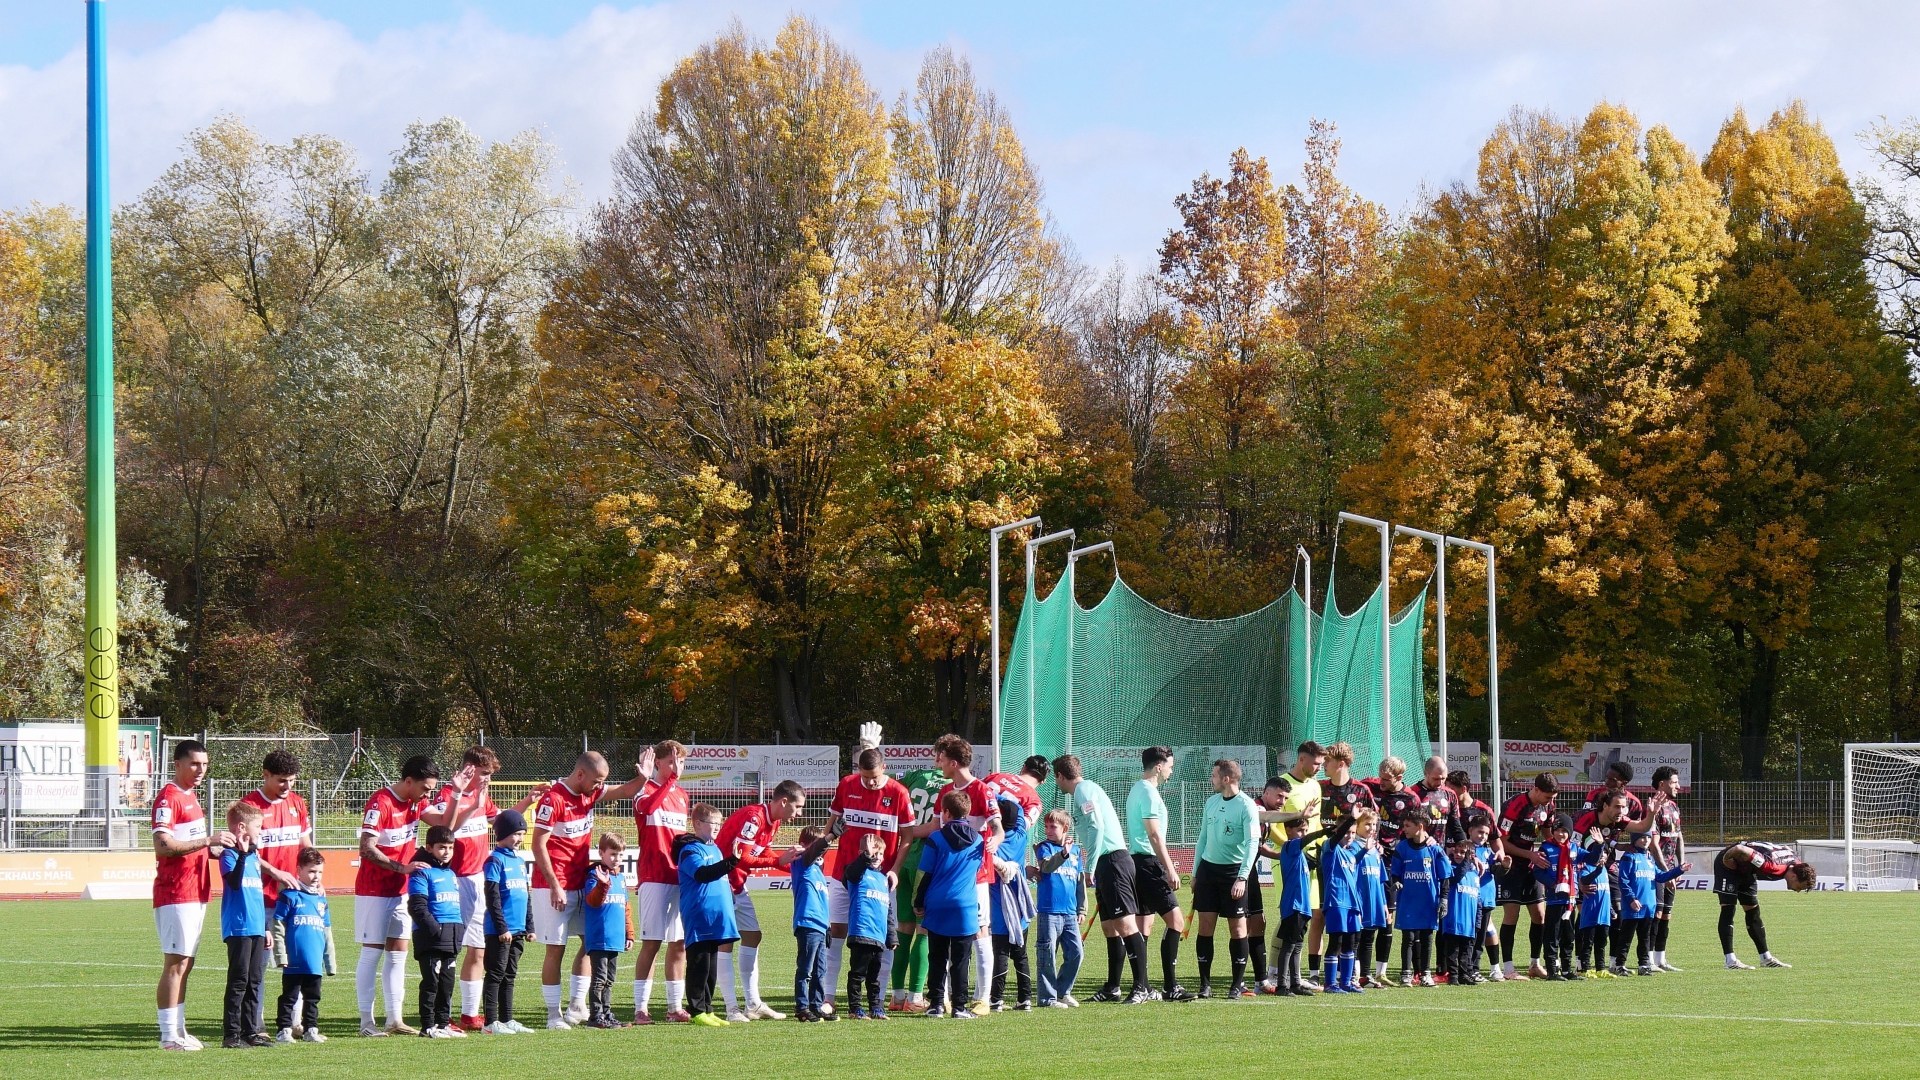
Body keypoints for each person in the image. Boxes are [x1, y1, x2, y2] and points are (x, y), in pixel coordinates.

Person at [427, 745, 547, 1032]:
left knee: (478, 948)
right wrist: (469, 802)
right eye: (483, 773)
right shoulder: (448, 795)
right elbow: (446, 830)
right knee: (450, 948)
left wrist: (527, 801)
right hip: (455, 880)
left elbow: (503, 823)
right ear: (468, 769)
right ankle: (441, 1014)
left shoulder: (483, 797)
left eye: (490, 774)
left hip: (479, 879)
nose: (487, 779)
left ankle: (469, 1014)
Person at [528, 750, 650, 1029]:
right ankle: (553, 1015)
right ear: (580, 774)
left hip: (582, 883)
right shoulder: (553, 799)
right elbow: (538, 845)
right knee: (555, 949)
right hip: (553, 886)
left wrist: (643, 778)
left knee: (590, 942)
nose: (600, 786)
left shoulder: (590, 792)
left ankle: (577, 1005)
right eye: (597, 781)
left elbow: (626, 790)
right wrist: (555, 885)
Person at [906, 735, 1003, 1013]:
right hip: (947, 879)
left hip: (977, 875)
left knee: (979, 932)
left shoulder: (982, 790)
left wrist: (996, 840)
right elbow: (933, 828)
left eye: (941, 758)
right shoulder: (946, 792)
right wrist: (901, 833)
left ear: (953, 762)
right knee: (942, 938)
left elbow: (997, 827)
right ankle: (943, 998)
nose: (937, 763)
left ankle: (982, 998)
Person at [354, 754, 449, 1037]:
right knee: (372, 953)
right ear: (409, 781)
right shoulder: (381, 802)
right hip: (374, 890)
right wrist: (401, 867)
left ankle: (394, 1019)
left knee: (398, 953)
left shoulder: (416, 802)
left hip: (402, 890)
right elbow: (366, 848)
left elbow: (445, 823)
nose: (428, 795)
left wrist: (458, 793)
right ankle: (366, 1022)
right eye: (425, 789)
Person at [1051, 753, 1149, 1004]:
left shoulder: (1083, 790)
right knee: (1109, 927)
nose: (1056, 783)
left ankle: (1142, 987)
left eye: (1056, 778)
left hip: (1113, 861)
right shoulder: (1084, 791)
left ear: (1061, 776)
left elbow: (1096, 827)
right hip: (1107, 863)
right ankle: (1112, 987)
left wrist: (1090, 866)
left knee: (1126, 925)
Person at [153, 739, 229, 1051]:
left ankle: (179, 1030)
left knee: (186, 963)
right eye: (195, 763)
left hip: (195, 891)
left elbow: (190, 844)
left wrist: (215, 850)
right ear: (178, 764)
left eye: (205, 764)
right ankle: (167, 1036)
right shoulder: (169, 798)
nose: (201, 770)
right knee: (175, 963)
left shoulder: (191, 796)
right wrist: (207, 841)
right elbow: (163, 845)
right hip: (176, 892)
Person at [718, 779, 808, 1021]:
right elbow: (741, 858)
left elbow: (763, 851)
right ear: (784, 801)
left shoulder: (774, 821)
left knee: (752, 936)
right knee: (725, 942)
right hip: (721, 882)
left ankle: (753, 1004)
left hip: (737, 883)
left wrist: (792, 866)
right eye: (798, 807)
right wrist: (778, 861)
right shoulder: (754, 818)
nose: (799, 814)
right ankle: (731, 1008)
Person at [826, 748, 907, 1018]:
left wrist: (894, 869)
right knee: (836, 930)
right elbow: (831, 823)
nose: (870, 782)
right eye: (865, 776)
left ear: (884, 767)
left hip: (881, 879)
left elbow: (907, 836)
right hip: (844, 873)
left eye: (874, 777)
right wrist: (821, 849)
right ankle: (828, 996)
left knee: (884, 936)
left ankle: (877, 1002)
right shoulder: (847, 785)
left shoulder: (898, 792)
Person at [245, 751, 313, 1029]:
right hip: (260, 898)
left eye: (292, 780)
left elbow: (305, 845)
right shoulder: (249, 806)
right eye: (282, 780)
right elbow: (246, 853)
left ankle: (294, 1022)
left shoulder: (297, 802)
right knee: (259, 964)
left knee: (297, 960)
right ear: (266, 775)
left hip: (292, 899)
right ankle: (255, 1021)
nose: (288, 786)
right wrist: (275, 871)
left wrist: (313, 877)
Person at [220, 799, 295, 1048]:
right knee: (238, 981)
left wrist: (264, 927)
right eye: (258, 827)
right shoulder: (230, 854)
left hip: (256, 927)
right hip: (239, 927)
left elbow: (255, 897)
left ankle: (250, 1031)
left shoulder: (253, 856)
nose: (261, 832)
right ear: (242, 828)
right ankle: (231, 1034)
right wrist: (242, 855)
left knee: (254, 981)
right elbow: (233, 883)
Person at [1262, 806, 1354, 995]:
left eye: (1305, 830)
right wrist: (1320, 833)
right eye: (1300, 830)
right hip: (1293, 905)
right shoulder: (1289, 847)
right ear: (1288, 830)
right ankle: (1282, 985)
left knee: (1297, 946)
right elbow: (1305, 840)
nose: (1303, 834)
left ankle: (1295, 984)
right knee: (1288, 946)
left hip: (1302, 906)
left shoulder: (1301, 855)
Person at [632, 740, 692, 1024]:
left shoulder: (682, 795)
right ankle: (640, 1008)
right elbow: (648, 808)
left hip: (678, 877)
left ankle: (674, 1007)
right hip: (654, 877)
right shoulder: (644, 789)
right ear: (658, 762)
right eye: (672, 762)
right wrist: (669, 782)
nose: (677, 767)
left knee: (678, 944)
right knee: (652, 943)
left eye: (681, 762)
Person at [1125, 746, 1192, 1000]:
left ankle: (1142, 987)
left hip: (1137, 862)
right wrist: (1170, 868)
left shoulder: (1137, 789)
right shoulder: (1149, 793)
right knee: (1176, 922)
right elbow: (1154, 835)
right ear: (1159, 766)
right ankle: (1171, 987)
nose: (1171, 771)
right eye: (1170, 766)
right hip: (1148, 864)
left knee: (1144, 925)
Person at [913, 791, 986, 1019]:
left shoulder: (935, 838)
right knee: (961, 959)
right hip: (965, 906)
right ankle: (959, 1007)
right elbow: (976, 870)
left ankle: (936, 1004)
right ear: (967, 812)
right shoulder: (979, 840)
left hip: (938, 904)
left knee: (937, 957)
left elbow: (926, 872)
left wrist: (918, 900)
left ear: (946, 812)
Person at [1192, 759, 1260, 998]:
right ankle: (1205, 985)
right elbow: (1202, 838)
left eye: (1214, 775)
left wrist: (1242, 878)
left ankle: (1236, 985)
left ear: (1226, 779)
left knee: (1238, 928)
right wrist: (1195, 872)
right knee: (1205, 926)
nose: (1211, 779)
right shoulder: (1211, 802)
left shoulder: (1247, 806)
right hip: (1208, 871)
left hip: (1233, 873)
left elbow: (1252, 843)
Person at [887, 760, 951, 1013]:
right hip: (928, 861)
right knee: (924, 930)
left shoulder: (916, 776)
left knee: (903, 929)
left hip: (903, 858)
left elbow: (887, 781)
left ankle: (897, 996)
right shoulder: (952, 784)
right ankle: (914, 997)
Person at [676, 802, 742, 1028]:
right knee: (699, 963)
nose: (716, 828)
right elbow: (702, 874)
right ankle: (696, 1011)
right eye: (712, 823)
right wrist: (730, 862)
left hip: (717, 916)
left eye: (719, 824)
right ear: (697, 824)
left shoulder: (715, 849)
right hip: (699, 914)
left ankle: (708, 1008)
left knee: (711, 966)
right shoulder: (689, 850)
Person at [1361, 756, 1420, 985]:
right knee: (1364, 914)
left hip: (1392, 864)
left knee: (1387, 916)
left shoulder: (1411, 799)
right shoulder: (1369, 787)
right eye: (1380, 777)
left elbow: (1416, 830)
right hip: (1367, 860)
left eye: (1386, 779)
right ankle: (1360, 971)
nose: (1381, 782)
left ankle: (1381, 971)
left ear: (1399, 778)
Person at [1494, 772, 1559, 980]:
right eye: (1548, 796)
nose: (1550, 801)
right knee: (1512, 914)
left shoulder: (1548, 806)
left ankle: (1535, 964)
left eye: (1553, 797)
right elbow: (1502, 842)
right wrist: (1530, 854)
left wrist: (1557, 853)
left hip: (1532, 866)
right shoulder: (1514, 805)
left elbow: (1548, 834)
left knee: (1539, 915)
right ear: (1536, 789)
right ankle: (1508, 968)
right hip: (1511, 865)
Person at [1271, 742, 1326, 983]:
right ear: (1301, 759)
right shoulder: (1282, 784)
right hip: (1289, 861)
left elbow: (1317, 824)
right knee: (1290, 917)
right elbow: (1272, 825)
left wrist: (1325, 849)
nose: (1319, 768)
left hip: (1310, 860)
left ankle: (1294, 976)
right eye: (1316, 763)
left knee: (1305, 917)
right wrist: (1290, 851)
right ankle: (1273, 973)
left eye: (1321, 764)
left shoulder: (1315, 786)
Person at [1714, 841, 1816, 969]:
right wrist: (1725, 860)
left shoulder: (1797, 864)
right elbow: (1739, 849)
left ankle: (1766, 958)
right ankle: (1730, 961)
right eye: (1799, 887)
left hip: (1746, 870)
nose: (1798, 891)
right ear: (1794, 876)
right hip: (1729, 864)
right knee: (1728, 909)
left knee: (1753, 912)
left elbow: (1786, 848)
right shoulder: (1771, 866)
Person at [271, 847, 334, 1043]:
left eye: (320, 872)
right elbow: (278, 927)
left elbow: (326, 932)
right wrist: (281, 955)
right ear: (299, 870)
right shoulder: (289, 896)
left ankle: (311, 1029)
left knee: (313, 997)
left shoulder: (321, 901)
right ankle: (283, 1030)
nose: (316, 876)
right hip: (294, 960)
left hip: (314, 961)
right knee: (289, 997)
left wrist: (330, 962)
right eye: (311, 871)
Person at [407, 825, 464, 1038]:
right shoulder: (421, 873)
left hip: (452, 936)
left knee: (447, 984)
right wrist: (435, 930)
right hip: (431, 938)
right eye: (442, 847)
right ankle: (428, 1026)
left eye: (450, 847)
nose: (447, 852)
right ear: (429, 848)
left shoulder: (450, 873)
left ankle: (443, 1024)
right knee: (431, 983)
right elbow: (417, 907)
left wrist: (458, 930)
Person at [481, 809, 533, 1034]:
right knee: (496, 974)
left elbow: (525, 896)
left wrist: (529, 926)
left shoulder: (520, 861)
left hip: (518, 930)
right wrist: (502, 927)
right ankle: (490, 1023)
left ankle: (507, 1019)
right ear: (502, 834)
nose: (520, 839)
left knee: (510, 975)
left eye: (522, 834)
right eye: (516, 834)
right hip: (500, 931)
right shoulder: (495, 860)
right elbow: (492, 897)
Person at [1387, 810, 1451, 987]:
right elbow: (1395, 871)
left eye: (1408, 826)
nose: (1404, 829)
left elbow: (1445, 876)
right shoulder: (1402, 847)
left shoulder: (1434, 849)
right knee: (1408, 937)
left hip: (1428, 901)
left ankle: (1425, 975)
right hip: (1408, 901)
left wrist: (1444, 899)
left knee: (1427, 938)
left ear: (1420, 826)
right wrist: (1397, 882)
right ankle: (1406, 975)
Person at [1028, 809, 1084, 1008]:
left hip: (1069, 912)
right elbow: (1046, 867)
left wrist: (1082, 908)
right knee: (1047, 955)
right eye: (1046, 826)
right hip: (1049, 911)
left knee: (1077, 952)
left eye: (1053, 827)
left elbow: (1079, 882)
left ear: (1065, 828)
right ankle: (1047, 998)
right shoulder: (1044, 847)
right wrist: (1062, 854)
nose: (1048, 830)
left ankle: (1062, 991)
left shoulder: (1076, 851)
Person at [1615, 829, 1689, 976]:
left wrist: (1679, 870)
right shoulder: (1629, 857)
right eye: (1642, 837)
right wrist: (1631, 899)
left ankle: (1644, 965)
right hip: (1633, 906)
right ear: (1634, 839)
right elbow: (1623, 881)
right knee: (1626, 937)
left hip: (1648, 906)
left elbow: (1661, 876)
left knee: (1645, 938)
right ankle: (1619, 965)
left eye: (1648, 838)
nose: (1646, 840)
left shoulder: (1649, 858)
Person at [987, 794, 1036, 1010]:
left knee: (1000, 954)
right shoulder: (1020, 835)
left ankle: (996, 999)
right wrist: (1002, 796)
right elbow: (1019, 811)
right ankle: (1025, 998)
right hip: (1019, 907)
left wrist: (990, 794)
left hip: (999, 909)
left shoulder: (991, 844)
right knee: (1020, 954)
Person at [582, 833, 635, 1028]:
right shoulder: (593, 876)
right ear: (601, 853)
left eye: (620, 855)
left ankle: (607, 1013)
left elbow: (626, 909)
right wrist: (603, 884)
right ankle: (595, 1017)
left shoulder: (621, 878)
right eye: (612, 854)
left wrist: (629, 934)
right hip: (599, 937)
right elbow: (593, 901)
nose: (616, 859)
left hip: (615, 938)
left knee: (609, 980)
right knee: (599, 979)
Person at [842, 832, 897, 1019]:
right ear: (862, 853)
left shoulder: (883, 879)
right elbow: (851, 873)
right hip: (861, 932)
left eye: (880, 854)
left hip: (878, 936)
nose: (877, 857)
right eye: (874, 853)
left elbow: (888, 910)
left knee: (874, 977)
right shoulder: (856, 873)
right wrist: (866, 855)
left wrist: (891, 936)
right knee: (858, 974)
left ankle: (876, 1008)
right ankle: (855, 1008)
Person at [1317, 808, 1373, 994]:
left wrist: (1365, 850)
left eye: (1353, 833)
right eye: (1346, 832)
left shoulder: (1350, 854)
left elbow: (1354, 863)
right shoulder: (1330, 849)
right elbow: (1336, 838)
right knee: (1336, 942)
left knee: (1350, 942)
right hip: (1336, 902)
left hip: (1351, 904)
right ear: (1338, 831)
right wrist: (1351, 819)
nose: (1349, 836)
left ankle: (1346, 982)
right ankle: (1330, 983)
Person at [788, 824, 836, 1021]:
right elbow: (813, 851)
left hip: (820, 926)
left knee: (820, 970)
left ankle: (816, 1006)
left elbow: (822, 902)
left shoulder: (817, 870)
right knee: (805, 969)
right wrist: (829, 837)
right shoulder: (802, 862)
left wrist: (828, 926)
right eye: (816, 845)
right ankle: (802, 1007)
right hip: (807, 924)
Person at [1530, 813, 1584, 980]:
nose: (1561, 834)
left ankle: (1567, 969)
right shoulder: (1546, 848)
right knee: (1552, 935)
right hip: (1555, 900)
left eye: (1564, 831)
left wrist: (1599, 844)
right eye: (1557, 830)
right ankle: (1552, 970)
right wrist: (1553, 884)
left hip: (1570, 901)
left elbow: (1591, 857)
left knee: (1568, 936)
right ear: (1552, 831)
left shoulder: (1574, 848)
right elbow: (1537, 872)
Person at [1647, 765, 1687, 971]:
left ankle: (1660, 958)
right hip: (1655, 870)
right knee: (1655, 914)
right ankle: (1647, 960)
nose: (1678, 786)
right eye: (1674, 782)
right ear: (1662, 784)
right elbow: (1653, 845)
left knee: (1666, 915)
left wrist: (1680, 866)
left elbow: (1678, 837)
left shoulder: (1674, 807)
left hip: (1670, 869)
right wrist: (1667, 872)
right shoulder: (1653, 808)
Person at [1439, 838, 1487, 985]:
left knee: (1467, 950)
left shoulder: (1475, 875)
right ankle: (1453, 976)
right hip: (1453, 919)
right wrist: (1467, 860)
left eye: (1463, 852)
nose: (1458, 855)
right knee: (1453, 950)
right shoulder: (1451, 869)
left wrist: (1477, 922)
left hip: (1469, 922)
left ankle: (1464, 974)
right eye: (1456, 852)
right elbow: (1458, 875)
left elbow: (1478, 900)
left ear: (1472, 855)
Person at [1356, 813, 1390, 986]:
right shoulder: (1353, 847)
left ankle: (1365, 975)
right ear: (1357, 825)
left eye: (1374, 824)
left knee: (1369, 939)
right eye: (1367, 824)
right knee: (1355, 939)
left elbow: (1380, 880)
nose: (1372, 828)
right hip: (1359, 902)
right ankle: (1350, 976)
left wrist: (1384, 904)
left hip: (1374, 902)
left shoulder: (1376, 851)